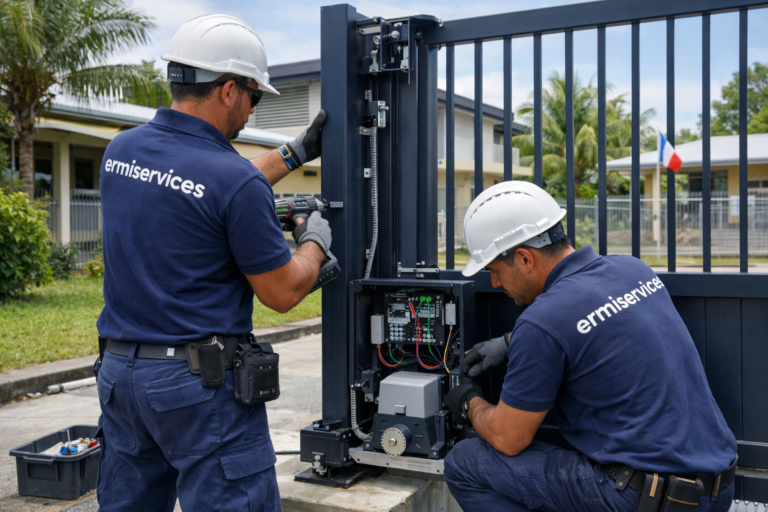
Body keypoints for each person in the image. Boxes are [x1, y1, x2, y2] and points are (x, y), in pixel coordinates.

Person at [94, 14, 328, 511]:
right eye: (254, 97)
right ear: (228, 90)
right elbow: (283, 291)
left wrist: (294, 153)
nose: (252, 110)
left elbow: (200, 184)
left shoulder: (121, 152)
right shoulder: (234, 182)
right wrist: (315, 244)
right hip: (197, 390)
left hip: (121, 379)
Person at [444, 181, 737, 512]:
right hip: (716, 489)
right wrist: (509, 342)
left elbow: (507, 438)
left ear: (525, 258)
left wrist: (469, 402)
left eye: (494, 271)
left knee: (464, 463)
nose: (495, 283)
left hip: (638, 500)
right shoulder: (633, 269)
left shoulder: (542, 322)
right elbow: (592, 324)